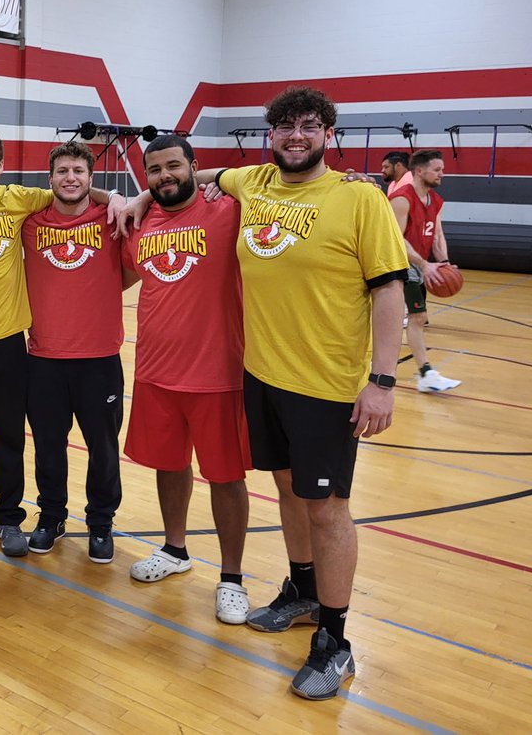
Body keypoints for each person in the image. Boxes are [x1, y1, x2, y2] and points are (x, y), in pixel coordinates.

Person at [209, 86, 408, 700]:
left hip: (326, 386)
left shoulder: (359, 199)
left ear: (329, 134)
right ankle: (300, 589)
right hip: (264, 374)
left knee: (328, 509)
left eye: (308, 126)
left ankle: (336, 640)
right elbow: (208, 175)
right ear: (270, 135)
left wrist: (381, 381)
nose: (296, 135)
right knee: (289, 491)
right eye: (285, 127)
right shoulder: (255, 183)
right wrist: (135, 195)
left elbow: (389, 293)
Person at [0, 128, 125, 557]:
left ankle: (9, 518)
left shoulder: (21, 200)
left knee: (9, 437)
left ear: (1, 164)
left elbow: (77, 190)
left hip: (11, 341)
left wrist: (119, 197)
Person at [121, 134, 253, 625]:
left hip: (218, 372)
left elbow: (278, 183)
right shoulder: (139, 221)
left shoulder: (229, 212)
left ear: (195, 167)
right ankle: (175, 549)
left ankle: (233, 578)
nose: (163, 177)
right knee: (168, 465)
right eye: (153, 171)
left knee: (225, 476)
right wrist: (131, 198)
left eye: (174, 167)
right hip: (156, 371)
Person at [20, 142, 127, 564]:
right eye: (62, 171)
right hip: (44, 357)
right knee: (48, 446)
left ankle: (101, 523)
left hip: (99, 358)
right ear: (50, 180)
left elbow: (130, 270)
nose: (70, 178)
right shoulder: (30, 220)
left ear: (90, 179)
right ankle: (51, 516)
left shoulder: (114, 217)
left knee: (102, 448)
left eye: (78, 171)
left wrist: (116, 198)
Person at [390, 149, 461, 393]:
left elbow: (437, 235)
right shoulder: (401, 198)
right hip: (398, 265)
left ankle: (423, 373)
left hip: (418, 265)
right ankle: (426, 373)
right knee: (417, 318)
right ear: (419, 171)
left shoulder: (436, 201)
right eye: (437, 169)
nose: (442, 174)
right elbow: (396, 240)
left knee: (408, 319)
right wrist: (423, 264)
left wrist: (445, 262)